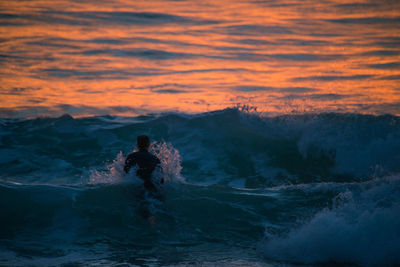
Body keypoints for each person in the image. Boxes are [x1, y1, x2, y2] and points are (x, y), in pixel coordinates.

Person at [124, 135, 163, 225]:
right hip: (151, 185)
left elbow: (126, 173)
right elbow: (161, 179)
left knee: (141, 207)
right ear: (148, 145)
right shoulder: (154, 158)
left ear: (137, 144)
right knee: (157, 205)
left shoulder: (131, 157)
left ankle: (149, 220)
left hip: (138, 184)